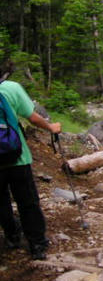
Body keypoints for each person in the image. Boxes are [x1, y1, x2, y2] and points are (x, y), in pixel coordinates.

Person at [0, 64, 61, 260]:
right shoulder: (10, 88)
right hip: (17, 157)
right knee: (28, 202)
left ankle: (12, 236)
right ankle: (37, 244)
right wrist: (51, 127)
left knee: (1, 202)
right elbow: (33, 117)